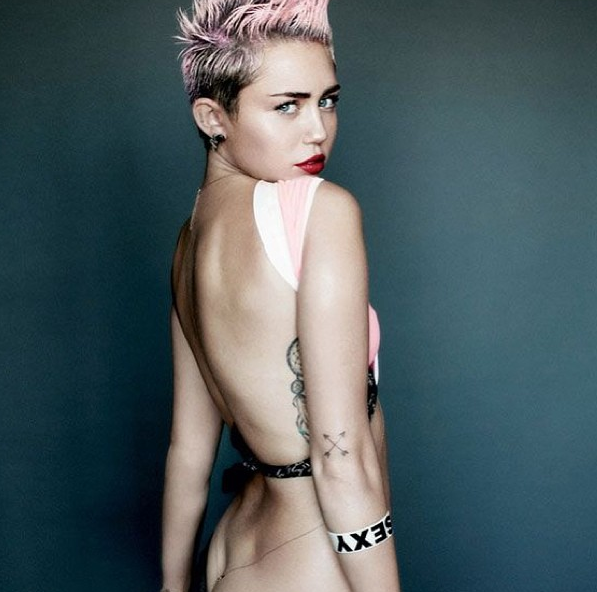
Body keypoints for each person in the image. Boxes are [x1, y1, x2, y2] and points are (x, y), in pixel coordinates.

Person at [160, 1, 400, 591]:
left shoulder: (188, 242)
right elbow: (340, 457)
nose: (317, 129)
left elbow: (188, 451)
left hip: (234, 545)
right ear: (212, 117)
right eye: (287, 105)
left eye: (327, 100)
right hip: (310, 559)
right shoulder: (318, 211)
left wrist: (172, 584)